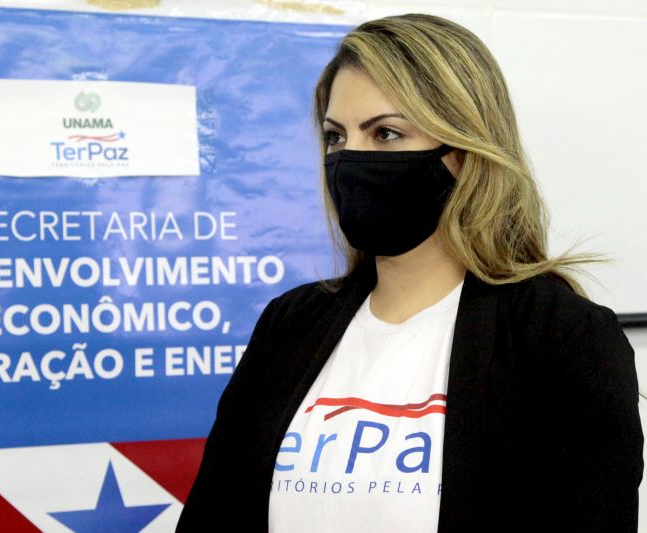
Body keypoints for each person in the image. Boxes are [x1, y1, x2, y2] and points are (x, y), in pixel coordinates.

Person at [176, 13, 643, 533]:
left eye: (387, 133)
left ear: (465, 153)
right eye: (336, 136)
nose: (351, 159)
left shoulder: (560, 338)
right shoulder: (290, 324)